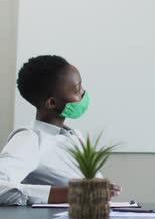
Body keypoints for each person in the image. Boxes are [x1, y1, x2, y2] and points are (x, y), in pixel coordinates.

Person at [0, 55, 121, 205]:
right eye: (76, 90)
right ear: (51, 102)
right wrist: (71, 193)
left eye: (81, 86)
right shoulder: (30, 139)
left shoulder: (73, 136)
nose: (83, 94)